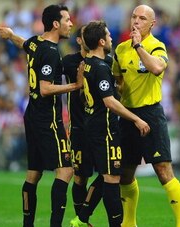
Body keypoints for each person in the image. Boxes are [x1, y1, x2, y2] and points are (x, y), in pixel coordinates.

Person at [0, 4, 83, 227]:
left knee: (33, 174)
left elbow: (24, 44)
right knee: (66, 170)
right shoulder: (52, 52)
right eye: (67, 20)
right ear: (56, 24)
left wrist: (11, 35)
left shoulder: (36, 41)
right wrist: (75, 85)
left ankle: (28, 224)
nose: (71, 24)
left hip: (32, 113)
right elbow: (45, 88)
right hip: (47, 118)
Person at [111, 5, 180, 227]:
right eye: (134, 16)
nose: (136, 21)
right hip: (127, 116)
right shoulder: (121, 49)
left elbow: (156, 68)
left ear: (152, 24)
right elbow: (119, 79)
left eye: (142, 18)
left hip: (151, 114)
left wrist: (138, 46)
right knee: (125, 174)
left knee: (163, 171)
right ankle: (129, 223)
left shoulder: (156, 47)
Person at [70, 20, 150, 227]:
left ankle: (82, 218)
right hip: (104, 130)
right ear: (101, 41)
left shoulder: (86, 63)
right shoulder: (100, 67)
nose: (112, 38)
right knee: (112, 181)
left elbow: (83, 95)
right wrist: (136, 118)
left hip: (91, 126)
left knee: (108, 175)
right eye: (108, 35)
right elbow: (109, 101)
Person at [63, 25, 113, 226]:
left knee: (108, 173)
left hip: (100, 127)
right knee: (80, 177)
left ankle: (82, 217)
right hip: (78, 128)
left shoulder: (106, 62)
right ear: (79, 40)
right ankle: (82, 220)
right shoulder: (68, 62)